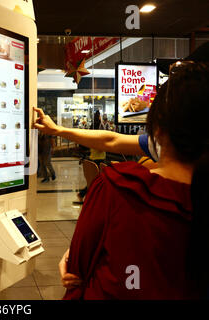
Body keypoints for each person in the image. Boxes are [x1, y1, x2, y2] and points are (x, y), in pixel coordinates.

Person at [56, 61, 209, 299]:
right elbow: (111, 141)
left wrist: (74, 254)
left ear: (157, 128)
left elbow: (78, 268)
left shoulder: (119, 186)